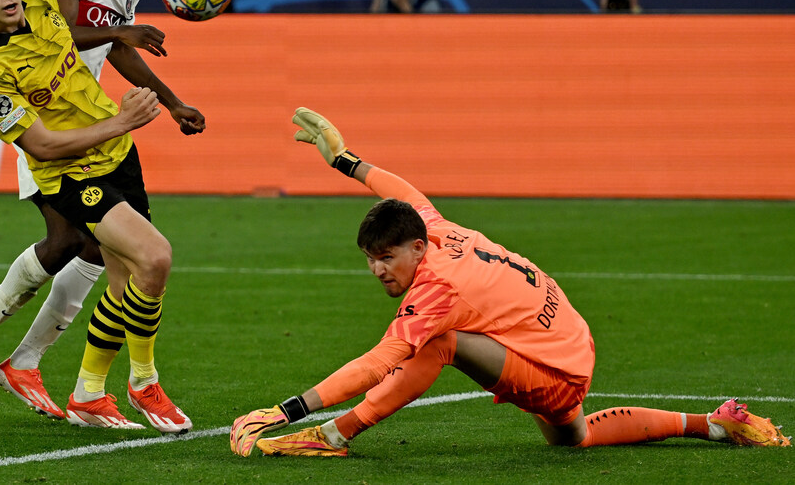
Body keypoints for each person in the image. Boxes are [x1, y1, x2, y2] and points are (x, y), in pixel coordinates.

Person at [229, 107, 792, 457]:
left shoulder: (435, 289)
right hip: (568, 340)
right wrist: (346, 161)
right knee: (573, 438)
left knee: (439, 342)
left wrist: (288, 411)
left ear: (416, 249)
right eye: (371, 259)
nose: (378, 269)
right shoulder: (431, 225)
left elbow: (379, 362)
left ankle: (331, 436)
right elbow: (402, 189)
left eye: (385, 257)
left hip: (552, 366)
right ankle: (714, 426)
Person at [0, 0, 205, 432]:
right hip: (69, 164)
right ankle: (132, 379)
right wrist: (123, 114)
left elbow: (99, 35)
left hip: (114, 150)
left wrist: (168, 99)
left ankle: (82, 389)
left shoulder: (39, 1)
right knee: (144, 257)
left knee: (109, 266)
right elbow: (39, 145)